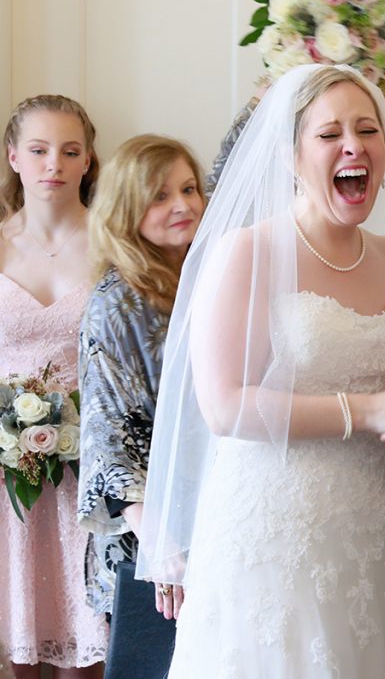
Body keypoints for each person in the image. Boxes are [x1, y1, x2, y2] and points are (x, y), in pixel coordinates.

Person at [137, 64, 385, 676]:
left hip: (382, 523)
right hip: (278, 529)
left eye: (368, 130)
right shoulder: (248, 252)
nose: (353, 146)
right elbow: (224, 404)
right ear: (289, 155)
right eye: (330, 134)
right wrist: (366, 410)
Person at [76, 135, 206, 678]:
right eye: (159, 196)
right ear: (128, 209)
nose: (183, 204)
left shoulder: (201, 276)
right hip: (150, 535)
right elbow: (109, 438)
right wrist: (163, 549)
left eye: (190, 188)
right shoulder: (116, 300)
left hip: (208, 512)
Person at [0, 95, 107, 678]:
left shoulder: (115, 244)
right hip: (5, 478)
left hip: (87, 466)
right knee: (17, 648)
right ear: (14, 156)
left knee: (84, 652)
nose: (54, 165)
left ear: (89, 160)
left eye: (70, 151)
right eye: (39, 150)